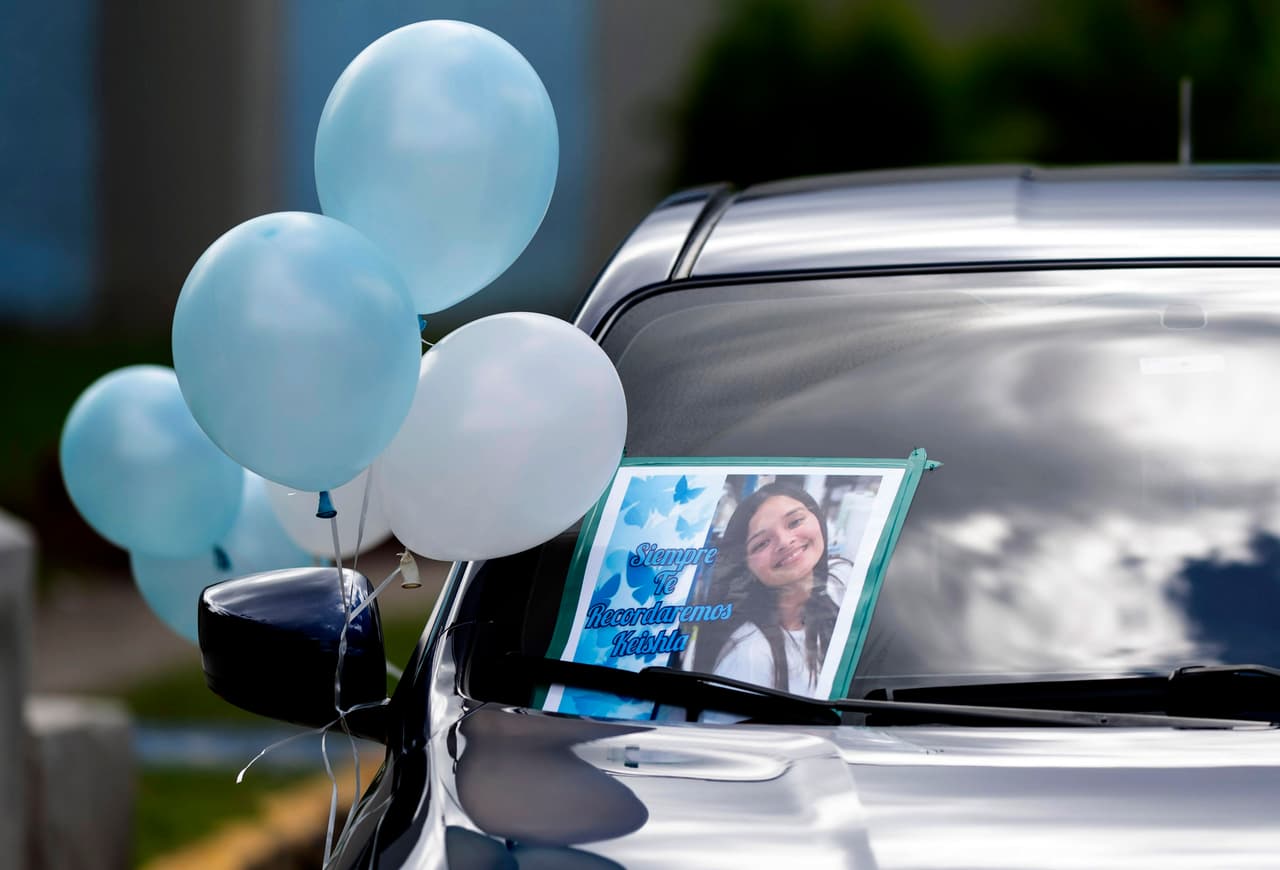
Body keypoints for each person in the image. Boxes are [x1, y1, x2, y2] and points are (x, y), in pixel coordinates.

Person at [692, 482, 850, 696]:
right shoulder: (749, 655)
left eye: (794, 522)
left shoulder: (842, 582)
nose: (785, 542)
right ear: (746, 566)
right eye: (761, 543)